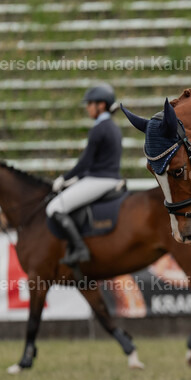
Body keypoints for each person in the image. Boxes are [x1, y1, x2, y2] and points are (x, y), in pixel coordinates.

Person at [46, 83, 123, 266]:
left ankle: (80, 248)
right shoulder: (112, 127)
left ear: (101, 105)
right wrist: (77, 178)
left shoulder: (100, 128)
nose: (87, 108)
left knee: (54, 208)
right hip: (107, 177)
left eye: (90, 104)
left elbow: (86, 161)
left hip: (100, 179)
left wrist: (64, 178)